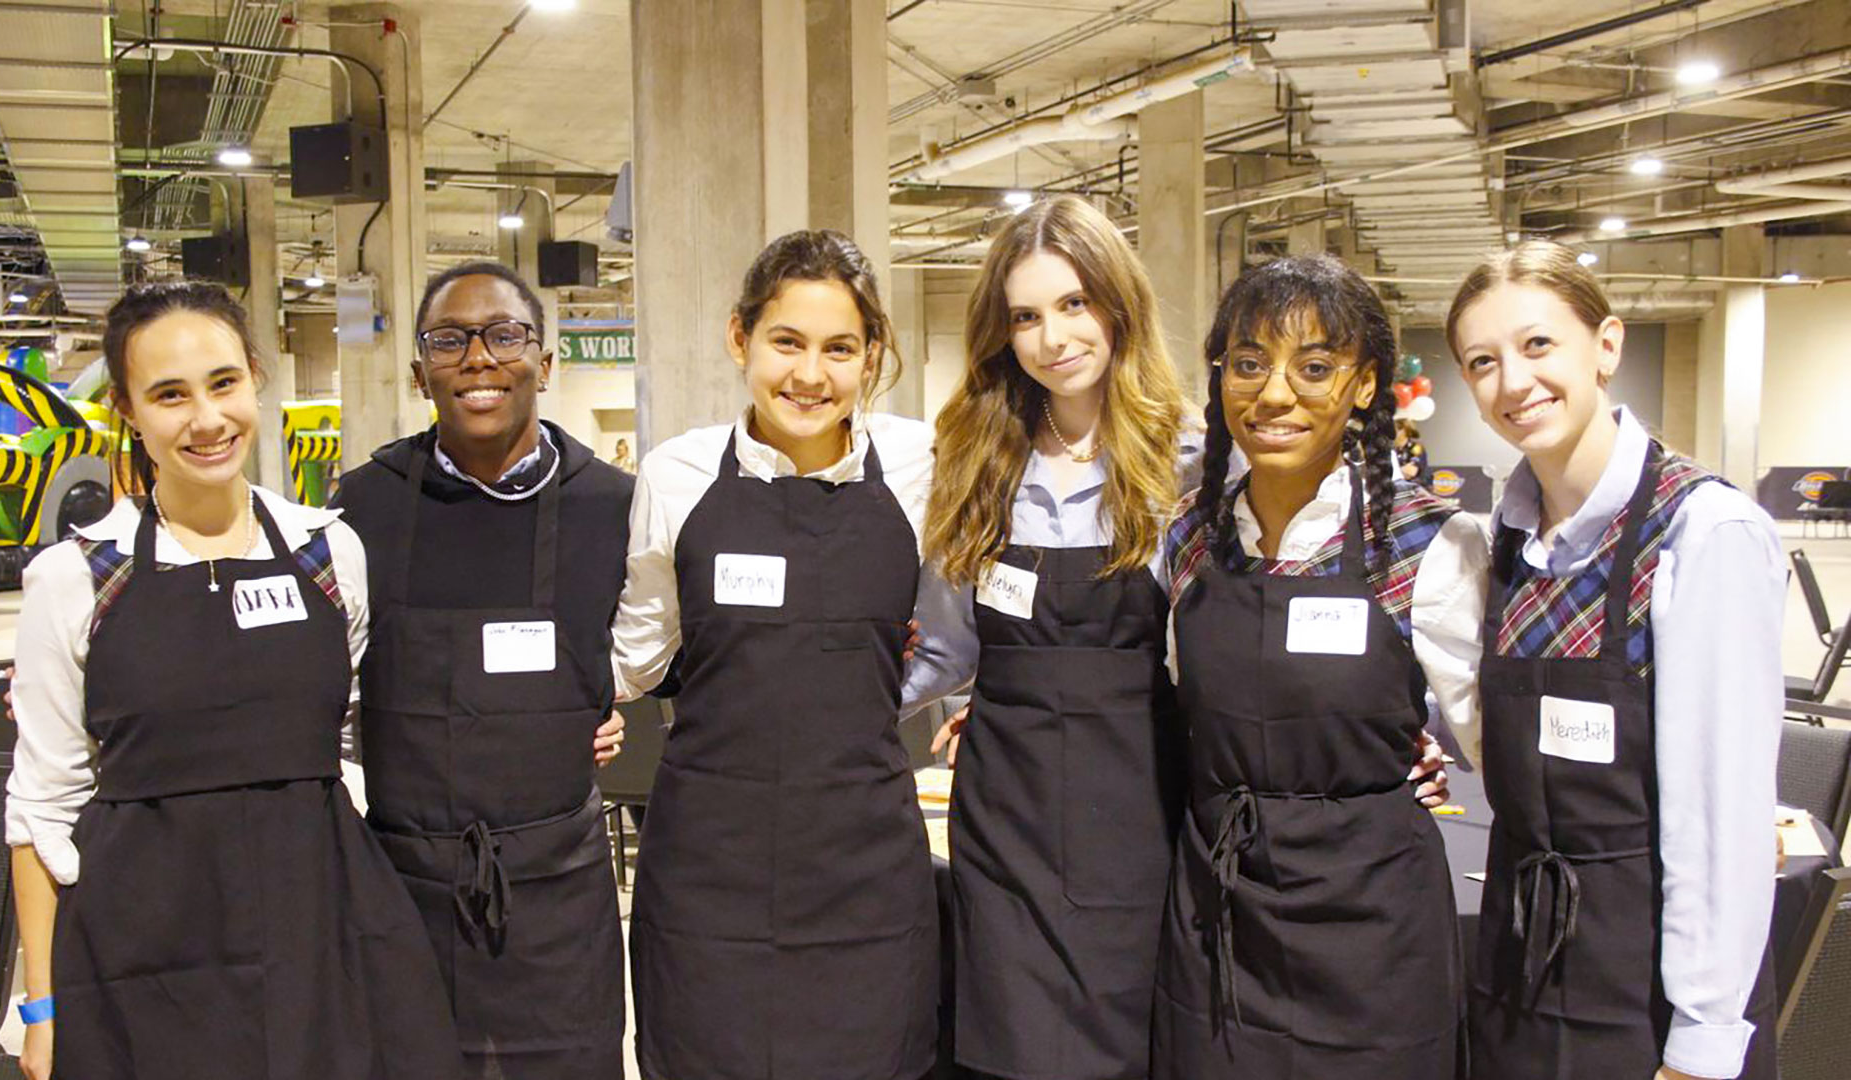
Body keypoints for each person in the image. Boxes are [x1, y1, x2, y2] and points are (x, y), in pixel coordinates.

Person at [4, 282, 459, 1080]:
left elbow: (350, 733)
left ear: (255, 377)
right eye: (169, 395)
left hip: (323, 927)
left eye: (223, 383)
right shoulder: (76, 577)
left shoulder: (329, 554)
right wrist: (41, 1010)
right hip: (144, 952)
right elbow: (41, 805)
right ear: (129, 411)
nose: (206, 420)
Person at [1448, 241, 1783, 1080]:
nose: (1512, 383)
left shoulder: (1700, 533)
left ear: (1606, 345)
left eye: (1537, 346)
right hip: (1516, 960)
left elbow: (1723, 815)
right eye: (1482, 362)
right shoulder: (1509, 544)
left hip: (1647, 986)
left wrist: (1703, 1041)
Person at [610, 230, 938, 1080]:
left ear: (871, 356)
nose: (809, 375)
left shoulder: (920, 468)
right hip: (710, 861)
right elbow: (638, 656)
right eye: (785, 342)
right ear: (739, 339)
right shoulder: (678, 475)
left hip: (863, 861)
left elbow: (958, 627)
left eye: (839, 349)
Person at [1154, 255, 1485, 1080]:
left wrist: (1420, 748)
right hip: (1220, 918)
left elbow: (1493, 738)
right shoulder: (1189, 542)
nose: (1273, 395)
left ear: (1366, 386)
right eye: (1249, 363)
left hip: (1373, 930)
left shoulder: (1428, 544)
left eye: (1314, 368)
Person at [904, 194, 1193, 1080]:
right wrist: (825, 711)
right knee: (1012, 1042)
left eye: (1073, 304)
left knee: (1132, 1038)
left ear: (1118, 306)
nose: (1052, 336)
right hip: (1007, 815)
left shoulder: (1189, 463)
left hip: (1141, 804)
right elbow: (949, 652)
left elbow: (1229, 651)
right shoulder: (975, 462)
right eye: (1025, 316)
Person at [333, 261, 634, 1080]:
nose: (478, 358)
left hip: (557, 890)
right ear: (418, 368)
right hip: (404, 888)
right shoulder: (363, 507)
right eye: (449, 339)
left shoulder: (612, 507)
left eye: (505, 335)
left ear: (545, 359)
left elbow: (676, 648)